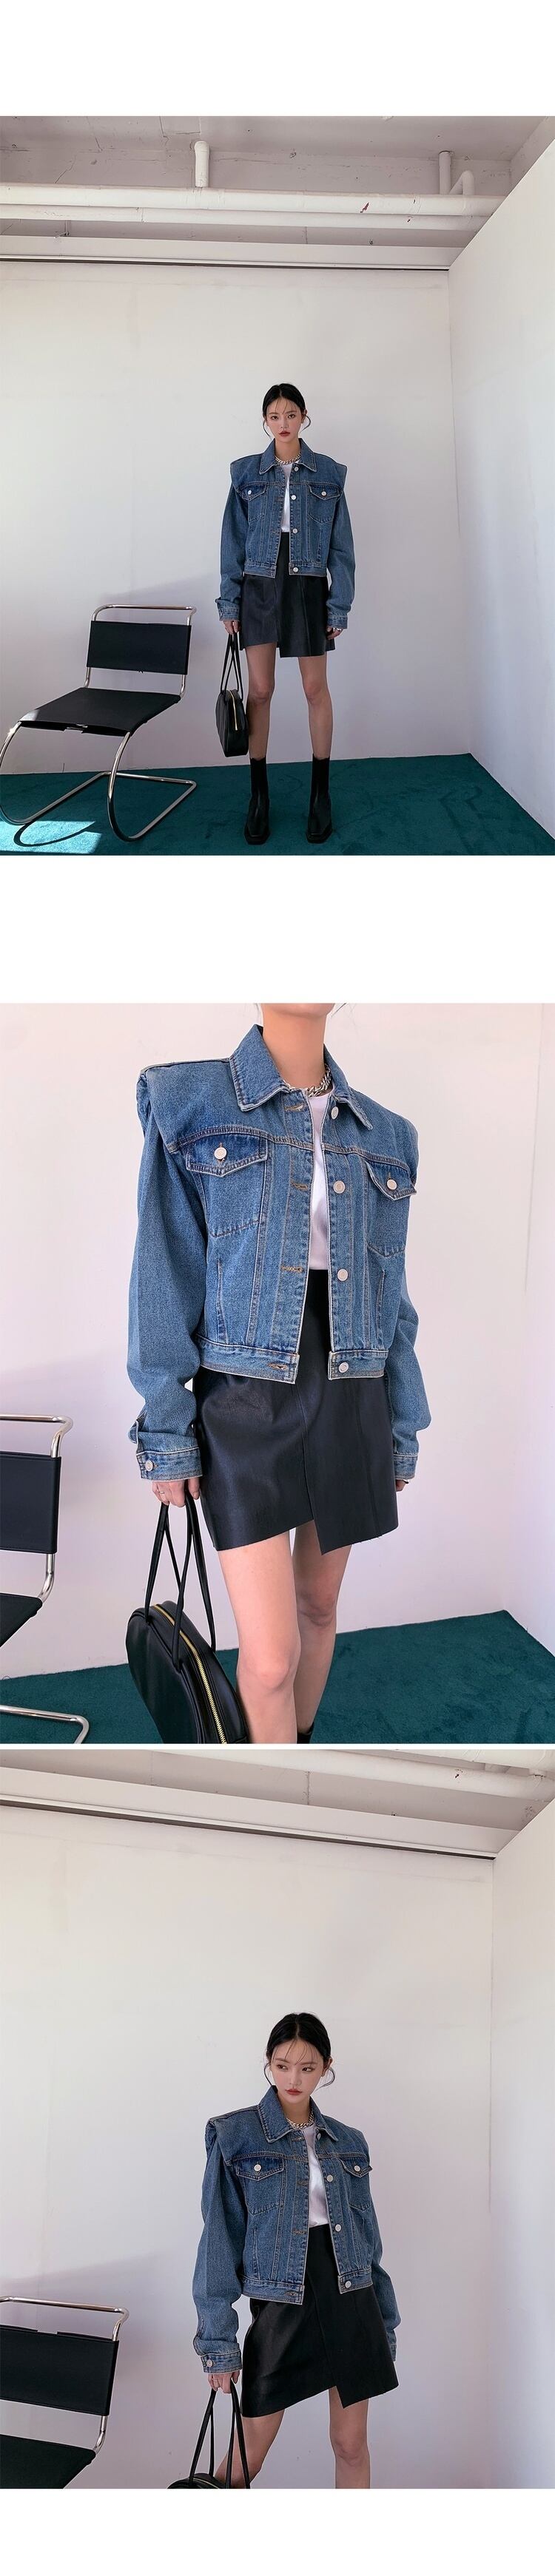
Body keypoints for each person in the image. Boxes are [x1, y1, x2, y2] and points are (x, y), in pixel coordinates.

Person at [127, 1005, 430, 1745]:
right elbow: (163, 1273)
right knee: (267, 1661)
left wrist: (402, 1425)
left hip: (354, 1388)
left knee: (318, 1609)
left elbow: (392, 1300)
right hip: (244, 1399)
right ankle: (269, 1790)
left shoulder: (388, 1135)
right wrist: (166, 1427)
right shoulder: (190, 1100)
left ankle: (297, 1761)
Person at [192, 2010, 400, 2488]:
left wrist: (385, 2322)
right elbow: (218, 2240)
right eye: (283, 2065)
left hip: (351, 2296)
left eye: (308, 2068)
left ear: (326, 2067)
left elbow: (368, 2241)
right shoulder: (236, 2135)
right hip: (283, 2301)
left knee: (351, 2444)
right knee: (247, 2455)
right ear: (268, 2061)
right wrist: (218, 2342)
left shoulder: (349, 2141)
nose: (294, 2079)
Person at [217, 383, 355, 848]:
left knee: (315, 689)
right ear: (265, 421)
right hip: (258, 585)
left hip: (308, 586)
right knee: (260, 690)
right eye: (275, 416)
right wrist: (230, 600)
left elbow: (342, 547)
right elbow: (232, 543)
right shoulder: (245, 473)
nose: (283, 423)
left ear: (304, 417)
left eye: (291, 414)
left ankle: (321, 794)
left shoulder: (329, 473)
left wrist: (339, 604)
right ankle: (259, 796)